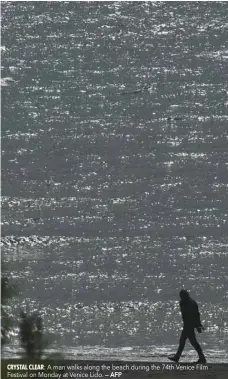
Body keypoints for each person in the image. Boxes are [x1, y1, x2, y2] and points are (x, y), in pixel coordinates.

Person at [168, 289, 206, 363]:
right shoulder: (186, 302)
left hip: (189, 325)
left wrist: (197, 324)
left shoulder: (189, 303)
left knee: (189, 342)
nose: (181, 297)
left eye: (181, 296)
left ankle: (201, 358)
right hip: (187, 324)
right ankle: (201, 357)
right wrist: (197, 324)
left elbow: (195, 314)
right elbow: (196, 314)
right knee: (188, 341)